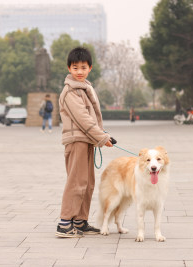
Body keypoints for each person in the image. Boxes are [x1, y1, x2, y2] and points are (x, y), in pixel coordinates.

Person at [56, 47, 113, 238]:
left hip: (87, 140)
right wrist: (102, 138)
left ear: (90, 68)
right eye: (75, 68)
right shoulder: (70, 91)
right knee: (76, 182)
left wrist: (102, 135)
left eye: (83, 67)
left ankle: (79, 221)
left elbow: (92, 119)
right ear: (69, 68)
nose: (79, 71)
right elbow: (83, 119)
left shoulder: (85, 88)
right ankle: (65, 223)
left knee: (87, 183)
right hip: (77, 141)